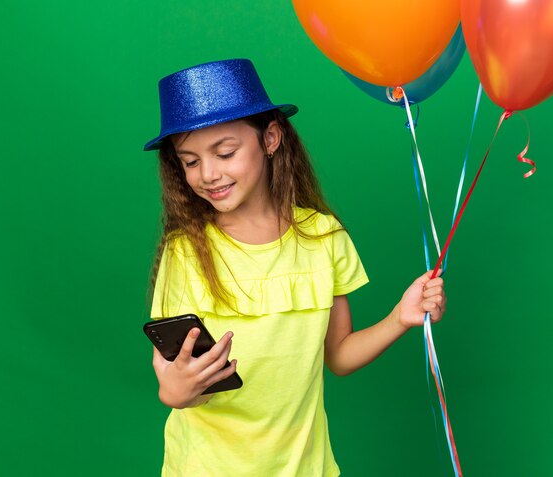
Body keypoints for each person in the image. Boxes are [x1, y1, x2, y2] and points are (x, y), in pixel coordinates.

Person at [144, 59, 446, 476]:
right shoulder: (185, 253)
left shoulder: (324, 237)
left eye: (225, 152)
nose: (208, 174)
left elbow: (338, 356)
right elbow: (178, 377)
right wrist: (176, 391)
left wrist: (400, 317)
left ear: (270, 138)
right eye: (190, 161)